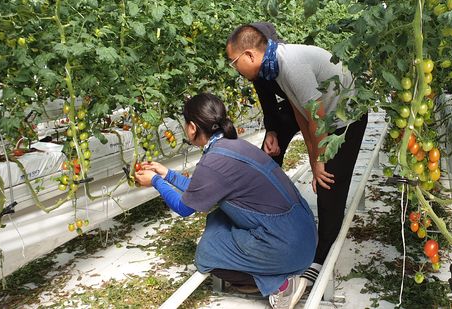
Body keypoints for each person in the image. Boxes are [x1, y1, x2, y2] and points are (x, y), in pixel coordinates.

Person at [134, 93, 316, 309]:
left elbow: (185, 208)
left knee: (206, 255)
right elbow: (200, 189)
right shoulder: (234, 146)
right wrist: (167, 175)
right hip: (304, 234)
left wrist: (156, 181)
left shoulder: (214, 160)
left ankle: (282, 285)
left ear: (192, 127)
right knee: (217, 218)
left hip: (287, 248)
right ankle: (276, 269)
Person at [226, 24, 368, 288]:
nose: (234, 68)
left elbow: (318, 116)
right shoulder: (275, 68)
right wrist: (314, 158)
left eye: (233, 62)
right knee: (322, 173)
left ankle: (321, 257)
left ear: (249, 55)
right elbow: (304, 117)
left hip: (347, 118)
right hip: (326, 117)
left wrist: (320, 161)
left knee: (329, 185)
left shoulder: (290, 64)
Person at [245, 23, 300, 167]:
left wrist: (315, 157)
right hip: (294, 107)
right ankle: (267, 182)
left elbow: (311, 111)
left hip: (321, 110)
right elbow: (268, 105)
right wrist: (272, 131)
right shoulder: (259, 72)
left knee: (326, 171)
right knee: (267, 157)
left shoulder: (290, 64)